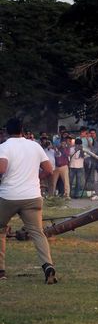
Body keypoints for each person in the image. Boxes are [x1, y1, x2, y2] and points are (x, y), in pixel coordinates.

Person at [0, 118, 58, 283]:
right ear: (23, 130)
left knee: (1, 230)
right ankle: (47, 265)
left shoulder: (4, 147)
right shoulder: (34, 146)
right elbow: (48, 169)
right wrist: (35, 178)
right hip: (32, 196)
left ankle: (1, 270)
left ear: (6, 131)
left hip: (9, 196)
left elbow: (2, 168)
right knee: (37, 233)